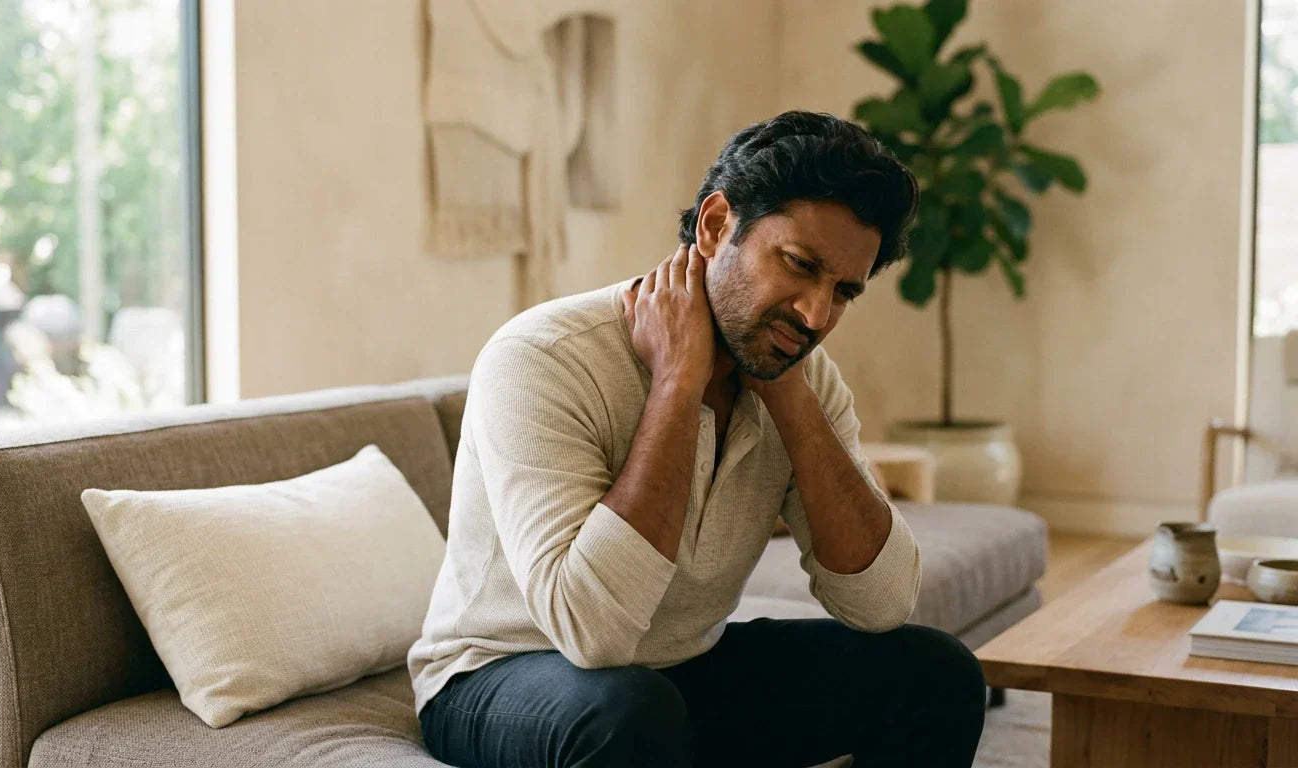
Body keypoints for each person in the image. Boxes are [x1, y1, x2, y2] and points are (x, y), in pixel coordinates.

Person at [408, 110, 986, 768]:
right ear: (717, 226)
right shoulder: (542, 357)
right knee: (628, 713)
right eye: (799, 265)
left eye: (843, 291)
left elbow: (881, 605)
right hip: (499, 675)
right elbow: (589, 635)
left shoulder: (795, 366)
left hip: (679, 670)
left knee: (936, 673)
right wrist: (677, 385)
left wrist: (789, 393)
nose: (815, 314)